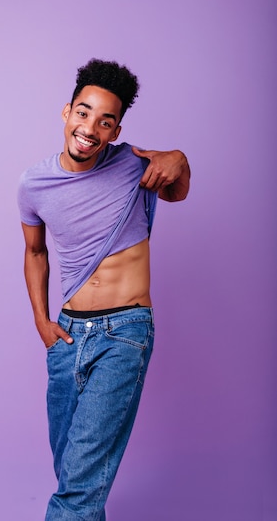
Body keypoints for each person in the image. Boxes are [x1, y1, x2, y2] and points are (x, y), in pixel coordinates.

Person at [17, 58, 190, 521]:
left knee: (78, 486)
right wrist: (41, 320)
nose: (90, 127)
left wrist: (178, 159)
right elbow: (36, 253)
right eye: (84, 112)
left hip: (124, 333)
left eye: (105, 121)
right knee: (75, 475)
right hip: (68, 336)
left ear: (115, 131)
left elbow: (177, 188)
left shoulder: (134, 165)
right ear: (66, 112)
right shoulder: (33, 184)